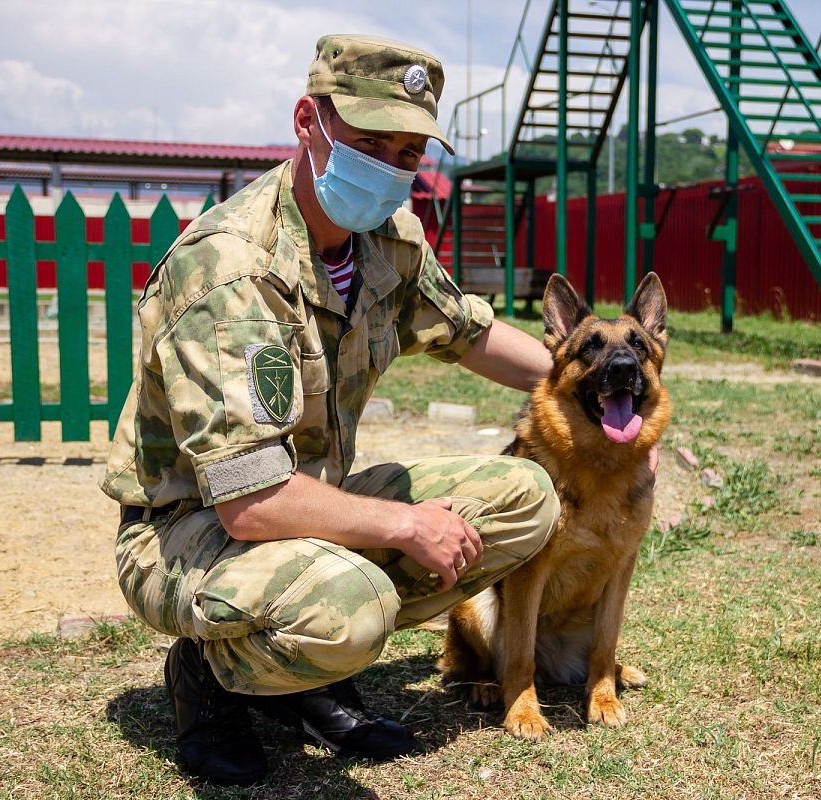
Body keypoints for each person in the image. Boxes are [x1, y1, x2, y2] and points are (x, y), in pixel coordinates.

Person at [101, 34, 559, 786]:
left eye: (409, 152)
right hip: (188, 530)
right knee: (354, 608)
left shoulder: (387, 238)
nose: (389, 167)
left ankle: (303, 678)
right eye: (368, 141)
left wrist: (597, 383)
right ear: (308, 122)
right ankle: (209, 676)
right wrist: (408, 524)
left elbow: (469, 333)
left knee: (523, 500)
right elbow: (249, 503)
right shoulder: (232, 271)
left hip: (311, 507)